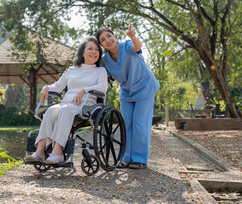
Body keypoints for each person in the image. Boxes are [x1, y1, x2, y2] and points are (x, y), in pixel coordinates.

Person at [25, 37, 108, 164]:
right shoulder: (71, 70)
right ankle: (40, 151)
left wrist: (84, 90)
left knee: (65, 110)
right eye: (90, 48)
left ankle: (58, 152)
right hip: (66, 103)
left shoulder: (100, 70)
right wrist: (47, 87)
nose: (94, 52)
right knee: (51, 110)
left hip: (86, 105)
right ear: (82, 52)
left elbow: (102, 87)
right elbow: (58, 87)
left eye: (97, 49)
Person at [96, 25, 160, 169]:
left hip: (145, 87)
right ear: (101, 45)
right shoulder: (105, 60)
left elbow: (138, 46)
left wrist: (132, 36)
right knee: (126, 124)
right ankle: (126, 157)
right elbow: (96, 73)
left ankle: (139, 159)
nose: (108, 40)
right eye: (103, 40)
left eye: (109, 36)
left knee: (139, 123)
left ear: (114, 35)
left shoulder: (128, 46)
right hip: (127, 92)